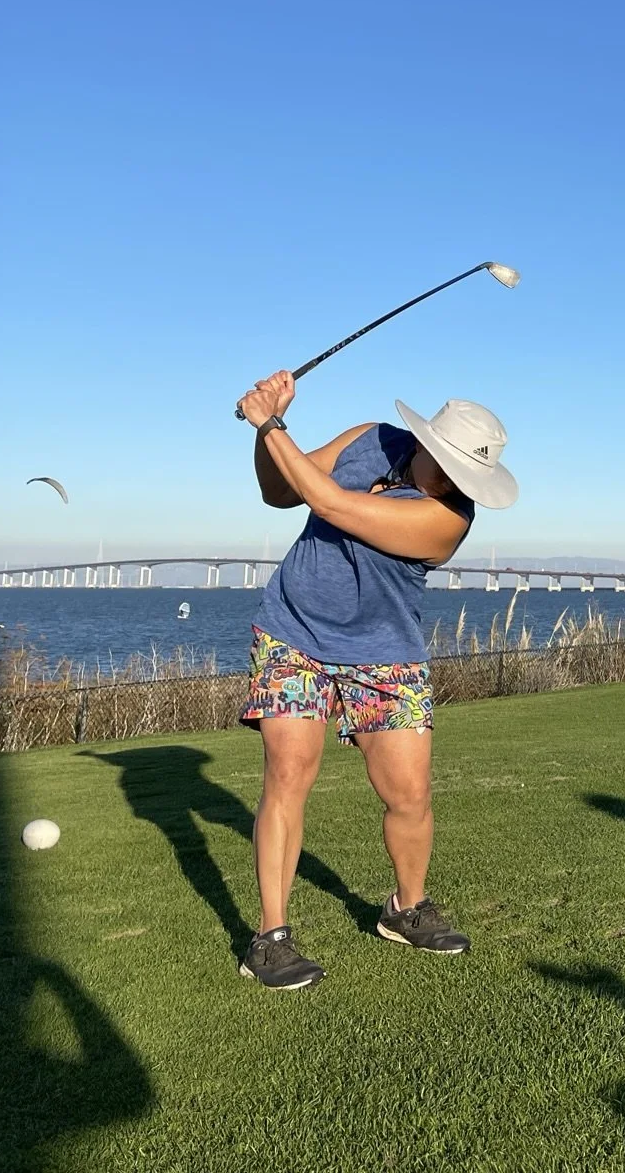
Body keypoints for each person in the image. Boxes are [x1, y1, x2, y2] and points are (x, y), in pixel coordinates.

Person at [231, 369, 518, 990]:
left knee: (409, 795)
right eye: (451, 468)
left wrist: (271, 422)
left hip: (385, 653)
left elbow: (330, 504)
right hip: (294, 634)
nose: (455, 484)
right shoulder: (371, 438)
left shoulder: (447, 519)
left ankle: (406, 909)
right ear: (426, 444)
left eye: (468, 479)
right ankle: (270, 939)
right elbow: (280, 491)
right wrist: (267, 431)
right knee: (288, 775)